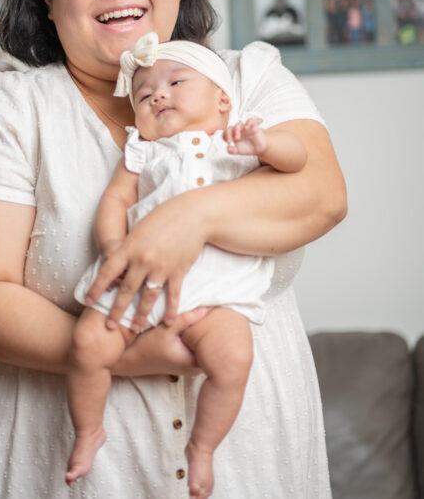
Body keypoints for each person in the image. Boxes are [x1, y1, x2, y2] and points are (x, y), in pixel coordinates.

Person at [0, 0, 347, 497]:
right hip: (59, 470)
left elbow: (322, 194)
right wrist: (126, 356)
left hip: (251, 463)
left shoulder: (246, 80)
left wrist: (187, 219)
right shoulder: (9, 108)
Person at [66, 32, 308, 496]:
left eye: (177, 82)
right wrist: (114, 247)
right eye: (143, 93)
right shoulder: (142, 149)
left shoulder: (233, 144)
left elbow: (297, 164)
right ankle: (88, 430)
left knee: (233, 358)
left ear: (222, 100)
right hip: (140, 279)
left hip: (217, 290)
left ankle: (202, 447)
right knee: (88, 342)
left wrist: (266, 142)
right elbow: (116, 198)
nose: (158, 93)